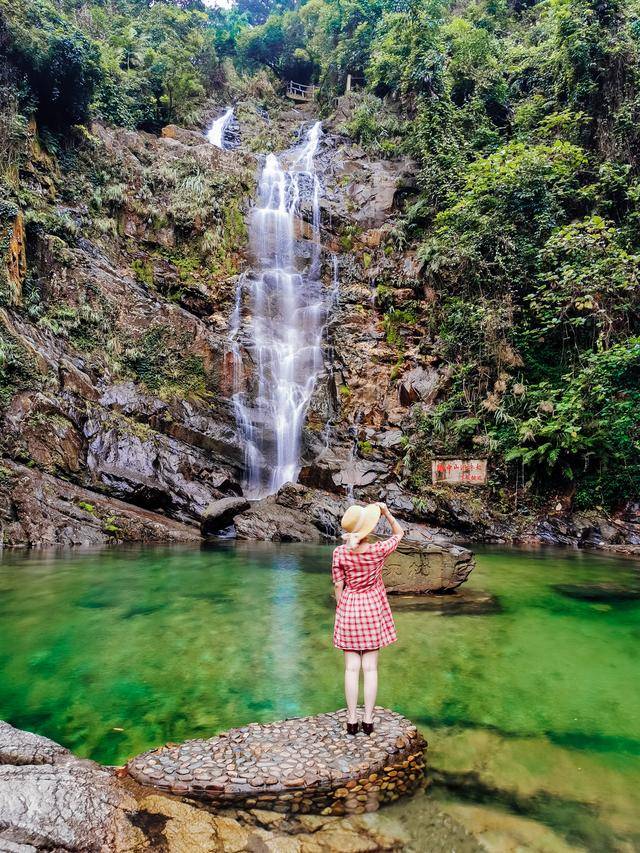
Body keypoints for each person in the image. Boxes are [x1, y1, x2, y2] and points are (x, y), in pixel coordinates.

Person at [331, 501, 404, 735]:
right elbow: (399, 533)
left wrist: (341, 607)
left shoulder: (340, 552)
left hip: (350, 607)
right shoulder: (377, 550)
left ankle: (352, 721)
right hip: (372, 609)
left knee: (351, 668)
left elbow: (338, 585)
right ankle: (368, 720)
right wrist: (386, 513)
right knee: (370, 668)